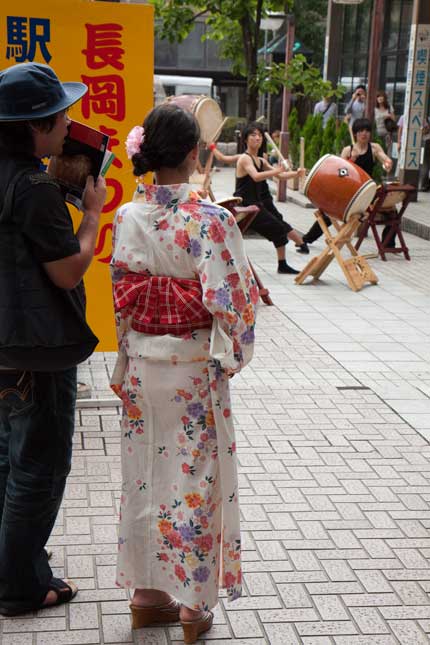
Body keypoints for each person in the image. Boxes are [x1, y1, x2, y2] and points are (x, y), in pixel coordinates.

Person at [110, 104, 257, 644]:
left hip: (143, 369)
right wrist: (232, 354)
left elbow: (123, 300)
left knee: (144, 474)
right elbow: (234, 302)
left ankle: (146, 598)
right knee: (195, 482)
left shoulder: (128, 216)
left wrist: (127, 359)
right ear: (195, 155)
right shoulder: (210, 221)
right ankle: (194, 608)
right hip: (194, 368)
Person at [0, 63, 106, 616]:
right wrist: (90, 215)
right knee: (39, 466)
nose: (68, 123)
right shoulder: (37, 187)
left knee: (6, 460)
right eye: (60, 114)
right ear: (36, 124)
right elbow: (67, 271)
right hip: (37, 349)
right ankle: (19, 586)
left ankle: (10, 569)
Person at [301, 118, 393, 247]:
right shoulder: (347, 150)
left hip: (367, 191)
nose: (364, 134)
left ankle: (388, 244)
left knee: (392, 212)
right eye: (361, 131)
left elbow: (385, 159)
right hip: (349, 191)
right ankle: (306, 240)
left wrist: (387, 163)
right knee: (327, 214)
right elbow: (339, 173)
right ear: (355, 133)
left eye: (367, 131)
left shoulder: (374, 148)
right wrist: (351, 160)